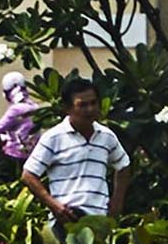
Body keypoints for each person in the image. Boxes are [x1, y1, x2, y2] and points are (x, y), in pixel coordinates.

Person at [25, 78, 129, 230]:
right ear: (67, 108)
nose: (90, 109)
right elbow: (28, 174)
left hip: (99, 221)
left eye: (93, 103)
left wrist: (117, 203)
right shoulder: (53, 137)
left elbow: (124, 166)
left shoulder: (107, 136)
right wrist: (54, 205)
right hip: (66, 220)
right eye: (82, 105)